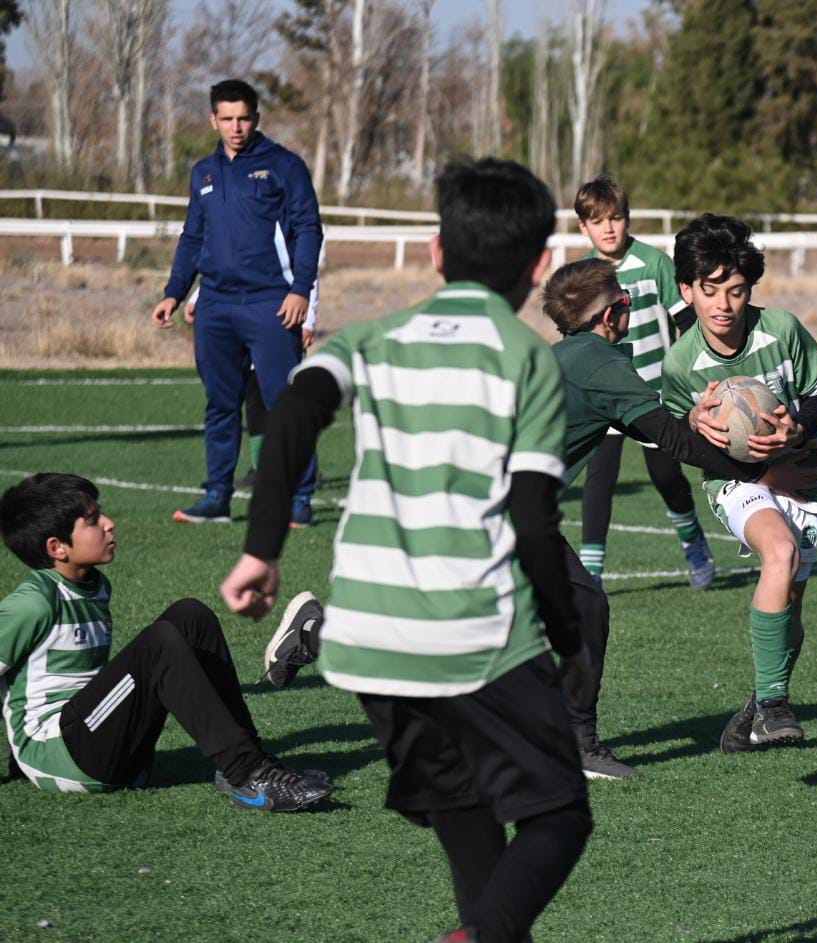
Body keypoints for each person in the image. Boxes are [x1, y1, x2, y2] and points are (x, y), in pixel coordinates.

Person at [219, 158, 594, 943]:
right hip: (471, 631)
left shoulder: (373, 338)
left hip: (368, 640)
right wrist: (566, 638)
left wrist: (261, 549)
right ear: (537, 266)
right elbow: (532, 519)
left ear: (435, 250)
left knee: (467, 812)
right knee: (559, 813)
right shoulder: (525, 356)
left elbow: (293, 413)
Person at [540, 258, 817, 776]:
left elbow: (654, 426)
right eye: (625, 299)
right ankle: (572, 743)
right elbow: (670, 440)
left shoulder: (568, 356)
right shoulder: (600, 365)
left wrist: (693, 417)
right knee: (577, 610)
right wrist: (761, 471)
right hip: (499, 511)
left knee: (572, 609)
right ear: (612, 314)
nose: (630, 305)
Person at [0, 473, 331, 811]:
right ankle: (248, 773)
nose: (109, 524)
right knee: (158, 644)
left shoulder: (94, 586)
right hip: (60, 755)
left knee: (191, 616)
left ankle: (245, 758)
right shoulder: (32, 603)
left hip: (97, 739)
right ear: (57, 547)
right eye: (93, 520)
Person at [661, 214, 817, 753]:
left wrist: (797, 427)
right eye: (709, 290)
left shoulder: (782, 330)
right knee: (779, 552)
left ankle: (757, 711)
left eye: (736, 290)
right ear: (687, 290)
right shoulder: (681, 364)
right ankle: (774, 706)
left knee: (790, 610)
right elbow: (682, 442)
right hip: (734, 482)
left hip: (804, 473)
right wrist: (694, 421)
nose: (723, 305)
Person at [151, 78, 322, 528]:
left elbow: (308, 229)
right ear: (213, 120)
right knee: (220, 403)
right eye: (227, 119)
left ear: (256, 118)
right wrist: (174, 292)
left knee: (285, 402)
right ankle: (218, 496)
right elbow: (193, 236)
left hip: (270, 303)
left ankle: (300, 498)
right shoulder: (203, 173)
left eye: (243, 118)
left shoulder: (284, 165)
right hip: (216, 306)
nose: (236, 127)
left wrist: (301, 290)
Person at [573, 176, 715, 589]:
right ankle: (591, 573)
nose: (609, 228)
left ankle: (692, 539)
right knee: (599, 480)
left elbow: (686, 322)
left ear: (628, 219)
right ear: (583, 227)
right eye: (598, 221)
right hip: (605, 396)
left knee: (666, 476)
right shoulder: (583, 274)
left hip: (654, 394)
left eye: (616, 217)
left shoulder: (654, 263)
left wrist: (694, 372)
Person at [184, 281, 320, 492]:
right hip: (243, 314)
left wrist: (308, 320)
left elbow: (308, 275)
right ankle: (261, 467)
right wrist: (197, 296)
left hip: (281, 317)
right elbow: (229, 268)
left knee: (284, 400)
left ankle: (303, 472)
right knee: (252, 393)